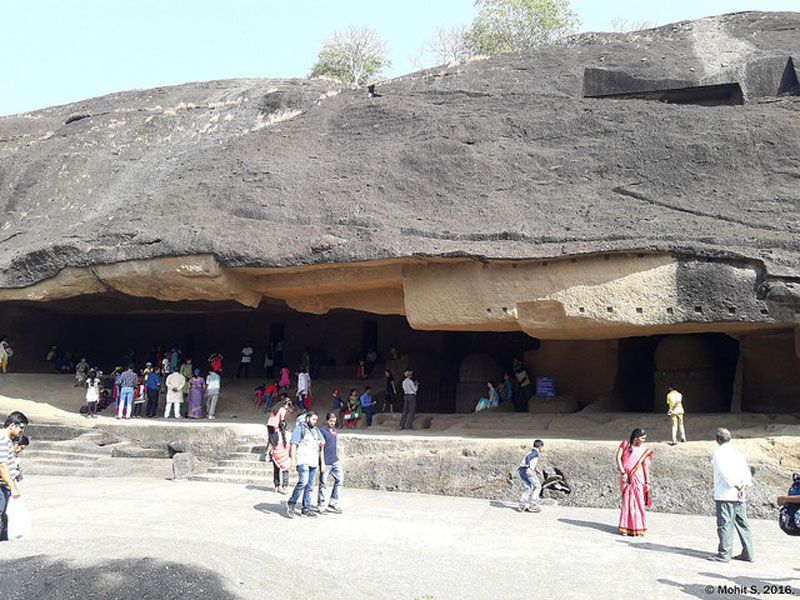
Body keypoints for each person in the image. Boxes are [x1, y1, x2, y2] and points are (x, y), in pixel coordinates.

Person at [707, 428, 754, 563]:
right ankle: (748, 553)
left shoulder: (719, 454)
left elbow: (723, 472)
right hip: (740, 494)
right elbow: (746, 471)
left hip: (726, 493)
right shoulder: (737, 453)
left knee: (725, 524)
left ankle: (724, 553)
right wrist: (744, 486)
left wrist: (736, 485)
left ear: (717, 440)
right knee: (742, 523)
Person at [286, 411, 324, 518]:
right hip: (302, 460)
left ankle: (306, 508)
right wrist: (293, 461)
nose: (315, 422)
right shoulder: (300, 429)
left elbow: (322, 441)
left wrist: (321, 442)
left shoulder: (316, 430)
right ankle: (292, 502)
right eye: (313, 419)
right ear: (307, 418)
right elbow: (293, 445)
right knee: (303, 481)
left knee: (310, 485)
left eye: (316, 420)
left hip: (313, 461)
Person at [615, 428, 652, 536]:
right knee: (627, 501)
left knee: (638, 501)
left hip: (638, 477)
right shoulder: (625, 444)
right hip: (626, 477)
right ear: (636, 437)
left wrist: (647, 482)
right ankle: (625, 527)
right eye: (642, 438)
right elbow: (618, 458)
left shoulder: (644, 450)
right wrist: (622, 472)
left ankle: (639, 526)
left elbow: (645, 467)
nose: (644, 440)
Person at [0, 411, 28, 541]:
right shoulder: (3, 439)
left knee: (5, 516)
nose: (22, 431)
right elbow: (1, 465)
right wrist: (13, 487)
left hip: (4, 485)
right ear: (12, 425)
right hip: (1, 485)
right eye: (21, 427)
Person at [318, 412, 343, 513]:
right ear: (326, 421)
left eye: (334, 421)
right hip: (326, 462)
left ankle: (333, 502)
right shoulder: (322, 431)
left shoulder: (334, 431)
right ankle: (321, 505)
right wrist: (322, 463)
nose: (332, 423)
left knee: (340, 480)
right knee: (323, 484)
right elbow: (320, 449)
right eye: (331, 421)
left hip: (335, 460)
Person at [518, 440, 544, 512]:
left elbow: (530, 461)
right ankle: (533, 504)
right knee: (538, 486)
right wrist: (528, 468)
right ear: (540, 447)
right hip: (527, 471)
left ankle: (522, 505)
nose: (543, 449)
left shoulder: (531, 451)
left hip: (521, 470)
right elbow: (528, 458)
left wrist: (536, 469)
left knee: (528, 488)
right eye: (542, 448)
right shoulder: (535, 452)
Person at [267, 421, 291, 494]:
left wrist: (267, 453)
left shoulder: (276, 434)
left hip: (276, 455)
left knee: (276, 470)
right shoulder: (290, 434)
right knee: (285, 470)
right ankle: (285, 486)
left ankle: (276, 486)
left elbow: (271, 444)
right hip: (285, 455)